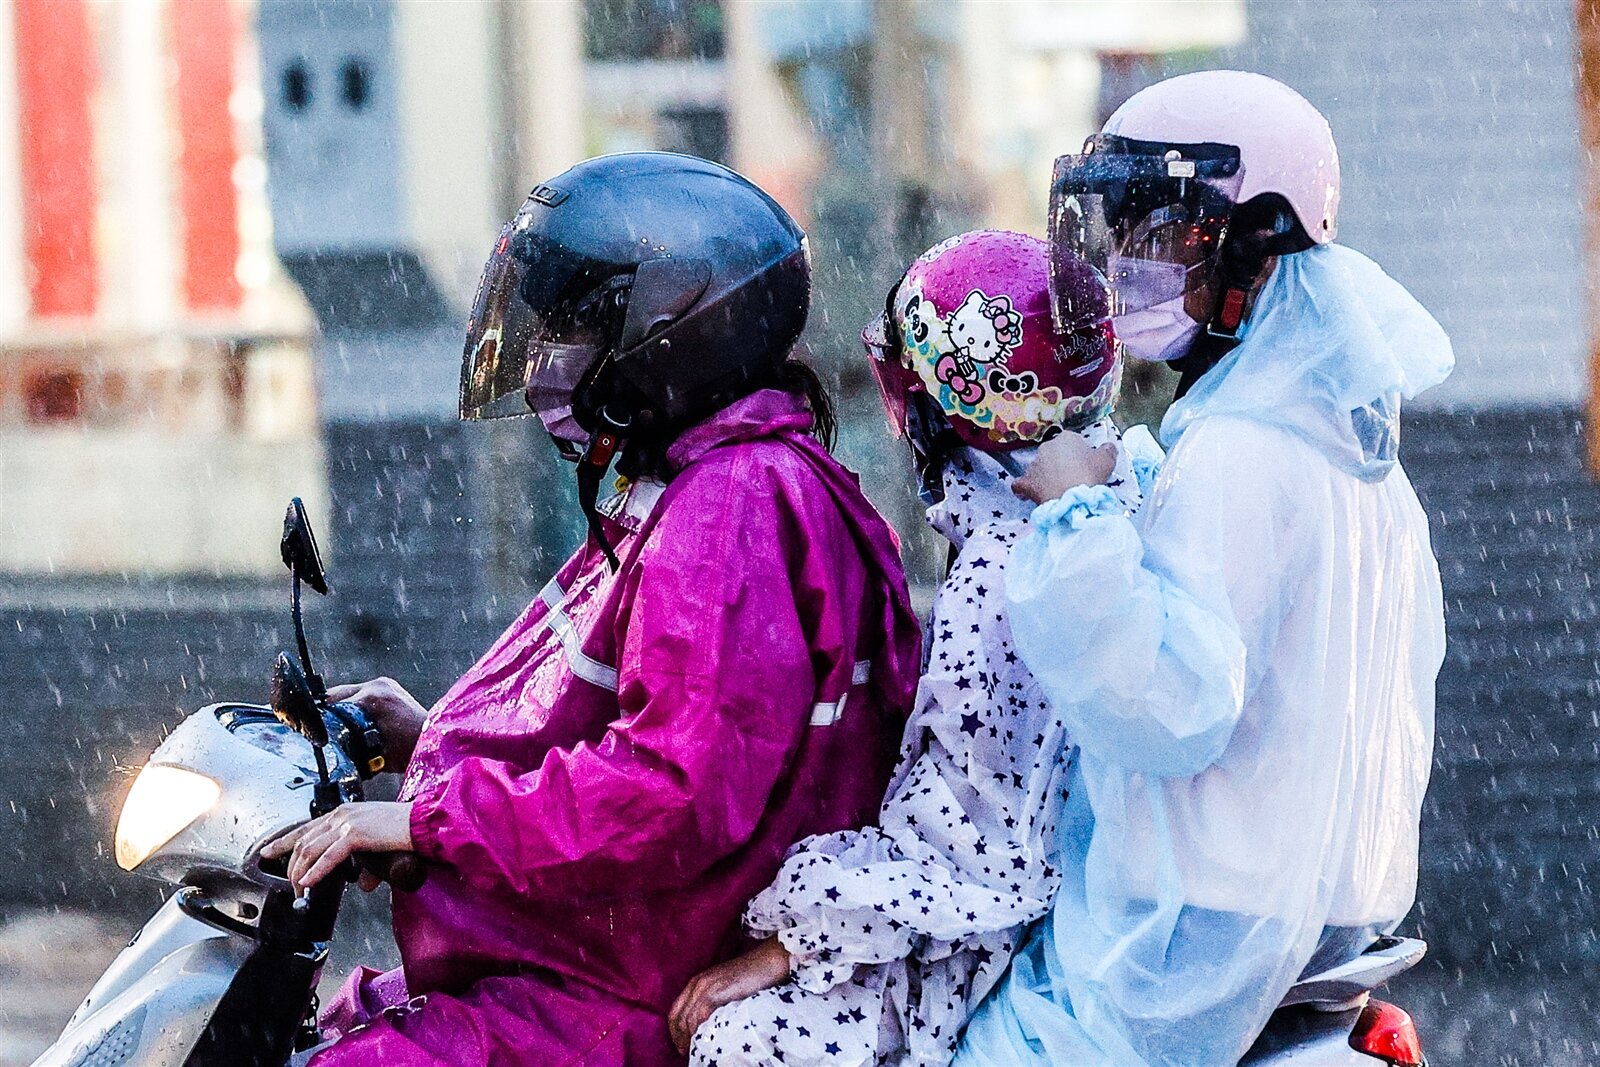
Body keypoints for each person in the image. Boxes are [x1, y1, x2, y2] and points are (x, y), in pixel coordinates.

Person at [262, 152, 922, 1067]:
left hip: (605, 991)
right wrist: (432, 739)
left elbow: (670, 790)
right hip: (566, 952)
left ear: (669, 329)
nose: (540, 361)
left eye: (569, 326)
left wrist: (428, 819)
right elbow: (619, 716)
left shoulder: (728, 507)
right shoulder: (698, 479)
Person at [952, 71, 1454, 1066]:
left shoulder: (1239, 448)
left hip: (1194, 960)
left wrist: (1075, 513)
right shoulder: (1352, 459)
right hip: (1316, 953)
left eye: (1161, 235)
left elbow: (1165, 703)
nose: (1129, 264)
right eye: (1123, 234)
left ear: (1255, 241)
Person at [669, 230, 1160, 1066]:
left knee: (732, 1041)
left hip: (982, 960)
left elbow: (972, 861)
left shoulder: (1010, 570)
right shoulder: (1109, 508)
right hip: (1087, 926)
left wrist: (788, 940)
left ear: (947, 408)